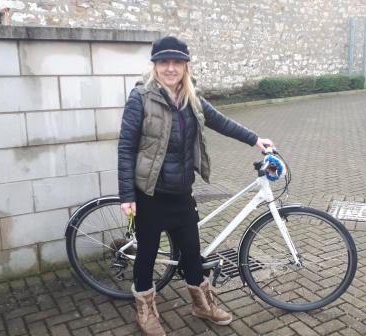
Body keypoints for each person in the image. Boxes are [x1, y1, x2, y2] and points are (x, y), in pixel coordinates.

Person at [117, 36, 274, 336]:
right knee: (148, 254)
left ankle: (201, 304)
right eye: (164, 62)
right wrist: (127, 194)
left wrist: (255, 139)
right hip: (149, 193)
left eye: (177, 62)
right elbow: (126, 147)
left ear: (186, 66)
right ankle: (145, 311)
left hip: (181, 192)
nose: (171, 68)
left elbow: (222, 122)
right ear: (155, 66)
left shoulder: (192, 97)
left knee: (191, 252)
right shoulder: (140, 98)